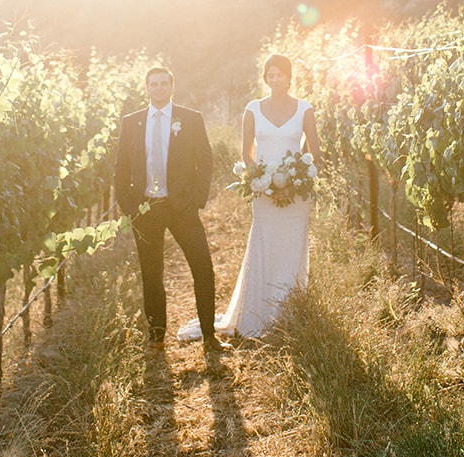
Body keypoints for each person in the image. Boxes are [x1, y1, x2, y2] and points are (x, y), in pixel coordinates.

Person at [179, 52, 318, 341]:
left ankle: (290, 313)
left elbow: (314, 152)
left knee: (293, 247)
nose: (275, 78)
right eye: (271, 74)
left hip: (296, 196)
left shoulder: (305, 109)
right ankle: (259, 313)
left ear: (290, 76)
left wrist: (297, 179)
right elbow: (247, 152)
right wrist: (261, 181)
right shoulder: (252, 109)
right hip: (264, 193)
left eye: (280, 73)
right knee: (264, 246)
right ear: (265, 77)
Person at [114, 66, 230, 354]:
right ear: (146, 88)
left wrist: (195, 200)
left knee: (203, 269)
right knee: (151, 275)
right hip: (146, 209)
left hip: (181, 208)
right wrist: (130, 207)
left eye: (164, 83)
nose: (158, 88)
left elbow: (205, 160)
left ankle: (209, 337)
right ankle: (156, 339)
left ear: (172, 87)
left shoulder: (190, 119)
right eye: (153, 83)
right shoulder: (132, 122)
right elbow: (121, 168)